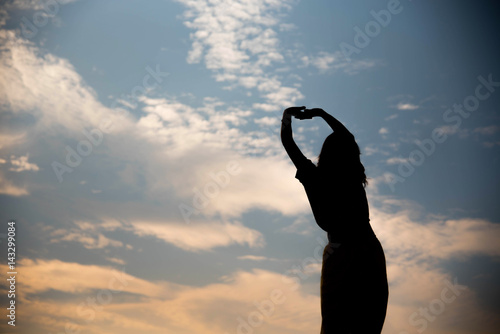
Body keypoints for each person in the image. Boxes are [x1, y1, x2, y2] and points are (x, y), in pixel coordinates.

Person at [280, 106, 388, 333]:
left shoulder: (315, 177)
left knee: (336, 323)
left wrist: (287, 117)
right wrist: (321, 114)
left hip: (343, 251)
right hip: (367, 249)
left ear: (324, 153)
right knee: (368, 321)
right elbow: (347, 137)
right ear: (350, 153)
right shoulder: (351, 175)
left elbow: (288, 143)